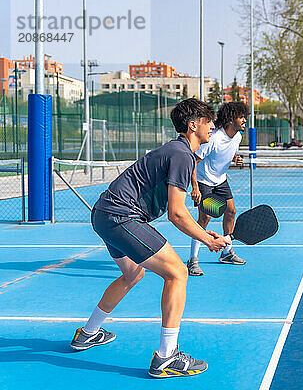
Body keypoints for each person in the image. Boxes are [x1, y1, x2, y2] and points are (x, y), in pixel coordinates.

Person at [70, 98, 230, 379]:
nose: (213, 126)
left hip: (104, 213)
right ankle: (166, 357)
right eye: (208, 122)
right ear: (193, 126)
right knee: (178, 273)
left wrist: (204, 230)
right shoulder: (181, 154)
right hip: (121, 216)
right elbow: (177, 214)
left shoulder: (180, 152)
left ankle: (88, 332)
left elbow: (181, 207)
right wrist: (207, 239)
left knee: (133, 275)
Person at [187, 102, 247, 276]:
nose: (244, 120)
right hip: (204, 181)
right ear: (230, 119)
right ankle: (193, 259)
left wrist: (235, 157)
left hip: (220, 181)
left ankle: (227, 252)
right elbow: (193, 161)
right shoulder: (214, 138)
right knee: (205, 218)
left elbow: (227, 151)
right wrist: (195, 187)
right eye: (241, 117)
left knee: (231, 211)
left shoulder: (237, 137)